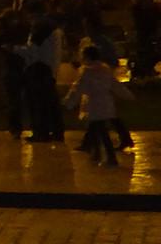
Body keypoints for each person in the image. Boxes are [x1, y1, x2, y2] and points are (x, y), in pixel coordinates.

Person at [66, 46, 127, 167]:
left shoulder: (86, 71)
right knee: (96, 129)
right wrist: (127, 95)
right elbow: (115, 84)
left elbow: (77, 89)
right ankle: (97, 154)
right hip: (105, 104)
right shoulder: (105, 69)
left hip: (94, 105)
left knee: (101, 132)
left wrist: (69, 102)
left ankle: (110, 158)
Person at [23, 13, 65, 143]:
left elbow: (32, 50)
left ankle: (41, 132)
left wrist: (15, 49)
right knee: (50, 103)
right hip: (48, 70)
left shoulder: (42, 29)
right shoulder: (54, 31)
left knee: (39, 103)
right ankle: (56, 132)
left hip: (40, 69)